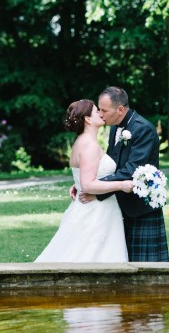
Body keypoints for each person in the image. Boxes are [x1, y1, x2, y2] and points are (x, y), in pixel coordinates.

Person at [75, 87, 169, 262]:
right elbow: (111, 166)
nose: (101, 114)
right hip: (120, 206)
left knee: (145, 268)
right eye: (99, 110)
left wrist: (96, 187)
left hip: (140, 208)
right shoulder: (114, 128)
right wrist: (87, 181)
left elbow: (131, 170)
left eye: (104, 110)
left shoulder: (143, 130)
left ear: (120, 110)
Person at [35, 99, 133, 263]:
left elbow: (86, 177)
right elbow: (87, 185)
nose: (101, 114)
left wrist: (78, 184)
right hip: (96, 211)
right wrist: (121, 185)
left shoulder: (82, 141)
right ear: (87, 119)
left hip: (93, 207)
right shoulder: (89, 145)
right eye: (96, 111)